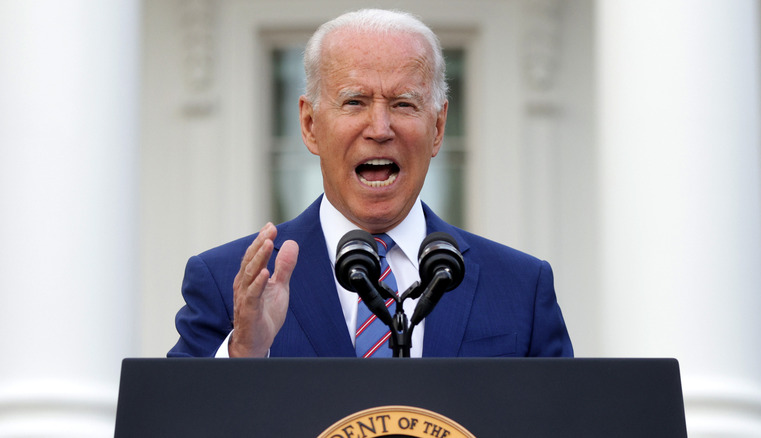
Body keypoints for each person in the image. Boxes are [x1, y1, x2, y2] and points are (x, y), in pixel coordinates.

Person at [168, 8, 573, 359]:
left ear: (438, 128)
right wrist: (243, 354)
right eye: (354, 102)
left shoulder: (521, 288)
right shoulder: (227, 285)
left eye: (403, 104)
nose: (380, 129)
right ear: (310, 125)